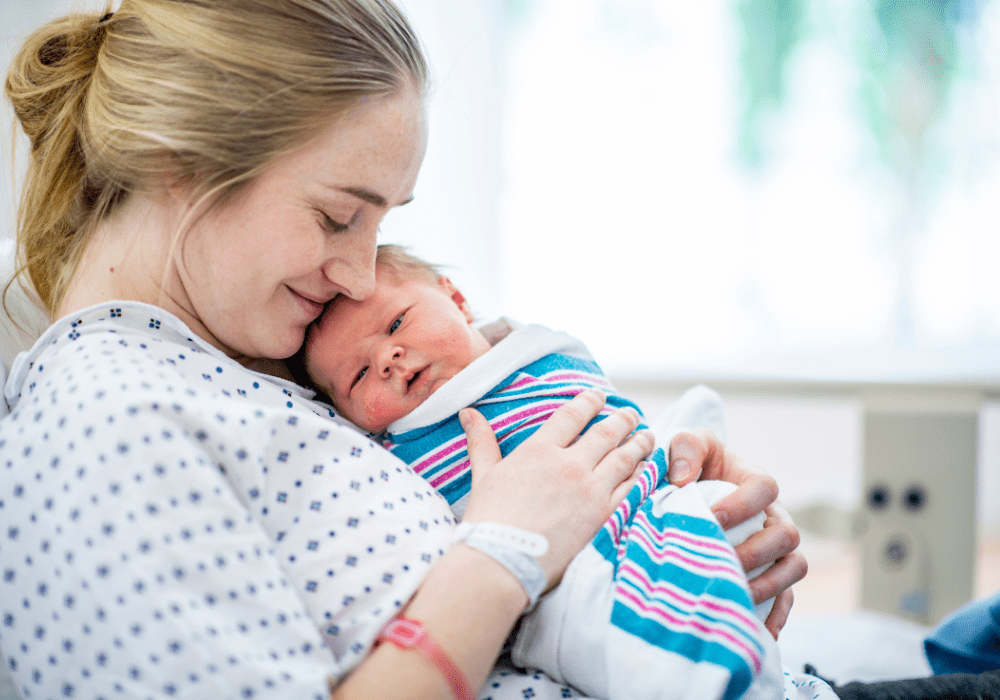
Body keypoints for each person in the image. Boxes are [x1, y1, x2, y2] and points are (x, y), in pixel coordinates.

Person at [0, 2, 806, 699]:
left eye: (381, 225)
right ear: (173, 159)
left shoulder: (247, 367)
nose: (358, 275)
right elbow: (500, 541)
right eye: (336, 216)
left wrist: (670, 508)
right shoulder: (108, 422)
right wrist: (506, 550)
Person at [302, 245, 838, 700]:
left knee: (721, 501)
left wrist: (684, 460)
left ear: (457, 297)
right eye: (358, 376)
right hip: (583, 566)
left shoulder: (529, 352)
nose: (389, 358)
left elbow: (613, 410)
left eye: (396, 323)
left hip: (657, 494)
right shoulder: (397, 449)